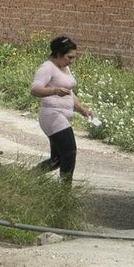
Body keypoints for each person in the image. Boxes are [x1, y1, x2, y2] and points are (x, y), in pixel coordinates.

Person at [29, 35, 94, 182]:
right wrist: (54, 91)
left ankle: (26, 178)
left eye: (73, 58)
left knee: (57, 160)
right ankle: (65, 192)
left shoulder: (65, 68)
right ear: (58, 54)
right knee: (70, 153)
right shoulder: (47, 68)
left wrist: (83, 110)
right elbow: (34, 90)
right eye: (69, 57)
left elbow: (70, 93)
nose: (71, 61)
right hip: (52, 115)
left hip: (64, 115)